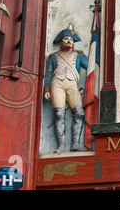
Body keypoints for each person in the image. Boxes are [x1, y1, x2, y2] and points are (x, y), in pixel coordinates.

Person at [44, 24, 88, 153]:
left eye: (71, 39)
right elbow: (48, 73)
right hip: (57, 84)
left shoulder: (79, 56)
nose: (69, 41)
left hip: (72, 84)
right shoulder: (54, 57)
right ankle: (61, 145)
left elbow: (91, 64)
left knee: (79, 113)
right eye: (66, 39)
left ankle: (75, 143)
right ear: (61, 40)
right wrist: (47, 90)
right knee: (59, 114)